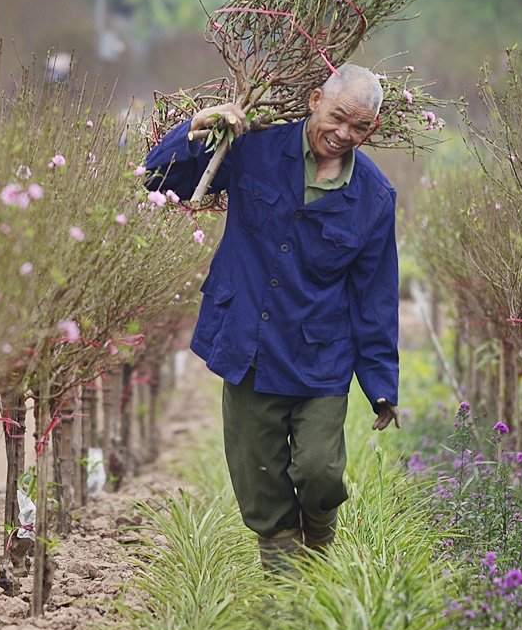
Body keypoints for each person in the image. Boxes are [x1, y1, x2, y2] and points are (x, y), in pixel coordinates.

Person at [144, 64, 400, 569]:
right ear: (314, 100)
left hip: (319, 353)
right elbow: (158, 180)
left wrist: (381, 384)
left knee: (320, 470)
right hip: (249, 341)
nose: (345, 134)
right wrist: (198, 128)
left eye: (360, 127)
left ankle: (318, 544)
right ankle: (288, 591)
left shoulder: (373, 197)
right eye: (338, 117)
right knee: (259, 476)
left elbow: (375, 296)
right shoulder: (255, 150)